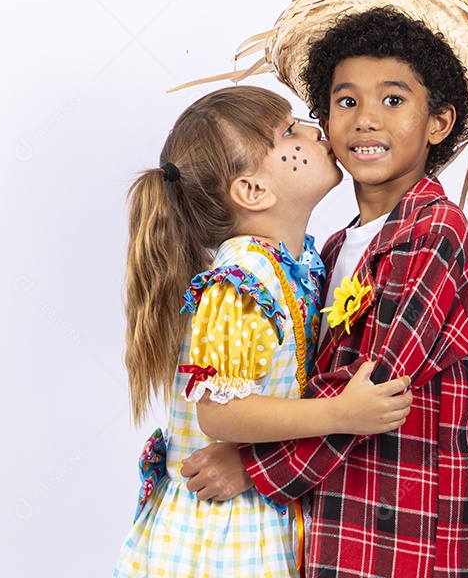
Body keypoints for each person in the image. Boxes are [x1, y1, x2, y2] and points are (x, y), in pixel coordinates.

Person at [176, 0, 468, 578]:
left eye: (394, 99)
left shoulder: (432, 235)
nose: (365, 118)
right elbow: (317, 390)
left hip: (413, 532)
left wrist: (252, 466)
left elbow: (373, 391)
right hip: (338, 527)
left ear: (438, 122)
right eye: (345, 100)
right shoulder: (328, 251)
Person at [114, 85, 413, 578]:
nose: (315, 130)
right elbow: (220, 412)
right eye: (290, 132)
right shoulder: (241, 283)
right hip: (221, 537)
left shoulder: (295, 264)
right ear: (253, 190)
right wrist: (341, 413)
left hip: (261, 513)